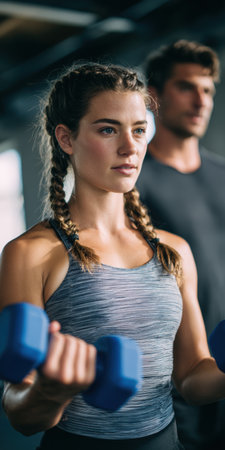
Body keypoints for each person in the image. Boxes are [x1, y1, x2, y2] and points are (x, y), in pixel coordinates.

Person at [0, 62, 225, 450]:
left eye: (139, 130)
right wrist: (52, 393)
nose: (130, 146)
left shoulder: (174, 251)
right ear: (66, 138)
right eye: (108, 129)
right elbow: (20, 414)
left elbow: (191, 377)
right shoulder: (31, 253)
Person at [137, 40, 225, 449]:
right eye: (187, 87)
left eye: (207, 90)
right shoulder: (133, 185)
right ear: (155, 95)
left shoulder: (223, 174)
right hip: (177, 380)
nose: (200, 100)